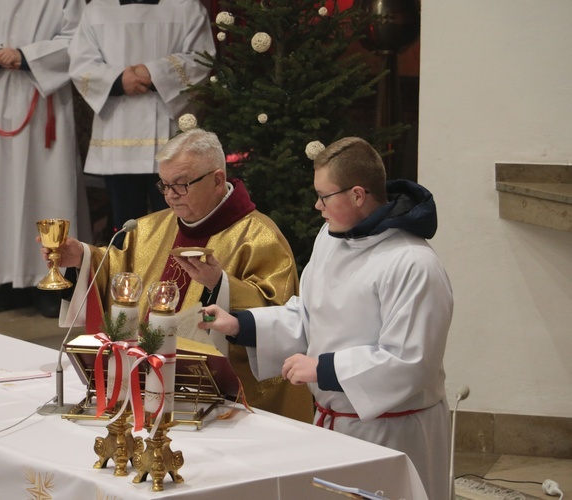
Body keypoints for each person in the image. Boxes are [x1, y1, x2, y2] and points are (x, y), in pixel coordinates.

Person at [200, 137, 453, 499]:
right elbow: (308, 315)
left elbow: (410, 362)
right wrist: (241, 325)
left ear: (358, 195)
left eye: (324, 196)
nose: (317, 206)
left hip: (392, 433)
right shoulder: (331, 238)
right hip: (335, 425)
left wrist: (323, 369)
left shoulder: (413, 263)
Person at [42, 128, 312, 422]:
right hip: (146, 382)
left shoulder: (260, 237)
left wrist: (218, 285)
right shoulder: (147, 228)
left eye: (180, 185)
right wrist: (81, 257)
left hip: (221, 399)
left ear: (217, 180)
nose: (170, 197)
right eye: (164, 185)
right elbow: (118, 271)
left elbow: (282, 318)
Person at [0, 0, 92, 317]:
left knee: (49, 187)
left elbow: (79, 35)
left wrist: (27, 56)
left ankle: (51, 278)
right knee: (1, 189)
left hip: (45, 102)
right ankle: (9, 280)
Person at [68, 0, 215, 233]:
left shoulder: (185, 6)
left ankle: (173, 270)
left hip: (170, 133)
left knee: (175, 222)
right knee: (125, 224)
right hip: (118, 136)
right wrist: (117, 80)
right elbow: (80, 64)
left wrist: (154, 72)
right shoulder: (97, 9)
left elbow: (202, 57)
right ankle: (125, 269)